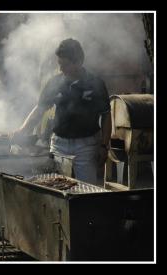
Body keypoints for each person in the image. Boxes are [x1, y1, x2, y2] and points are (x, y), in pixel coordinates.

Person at [11, 38, 112, 184]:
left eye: (64, 64)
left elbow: (106, 115)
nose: (60, 69)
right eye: (59, 64)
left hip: (86, 146)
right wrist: (22, 129)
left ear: (78, 62)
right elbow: (40, 109)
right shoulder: (55, 83)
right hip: (59, 145)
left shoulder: (95, 83)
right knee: (54, 188)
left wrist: (104, 145)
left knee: (86, 191)